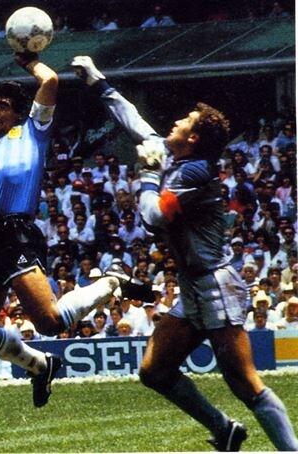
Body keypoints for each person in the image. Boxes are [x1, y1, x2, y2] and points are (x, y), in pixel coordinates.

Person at [72, 55, 298, 450]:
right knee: (154, 370)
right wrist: (97, 80)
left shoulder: (196, 172)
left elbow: (154, 216)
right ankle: (225, 430)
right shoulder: (176, 158)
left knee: (245, 383)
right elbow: (134, 122)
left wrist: (146, 176)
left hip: (216, 286)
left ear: (193, 139)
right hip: (194, 286)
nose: (175, 122)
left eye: (184, 121)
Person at [0, 52, 148, 407]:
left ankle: (110, 282)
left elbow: (50, 79)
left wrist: (28, 61)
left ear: (18, 113)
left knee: (50, 322)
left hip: (17, 233)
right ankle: (40, 365)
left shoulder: (32, 132)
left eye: (3, 106)